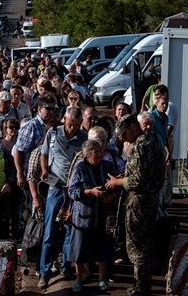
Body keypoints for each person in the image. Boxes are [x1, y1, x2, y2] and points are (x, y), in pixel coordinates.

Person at [104, 114, 165, 296]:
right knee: (145, 241)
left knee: (138, 245)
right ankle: (143, 285)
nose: (123, 139)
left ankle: (141, 287)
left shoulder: (141, 146)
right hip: (149, 198)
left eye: (124, 134)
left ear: (132, 127)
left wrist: (118, 183)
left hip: (140, 201)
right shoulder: (151, 142)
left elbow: (138, 180)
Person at [37, 107, 87, 289]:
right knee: (50, 231)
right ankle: (44, 272)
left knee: (70, 230)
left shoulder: (84, 138)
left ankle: (66, 266)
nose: (72, 128)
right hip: (55, 187)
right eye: (69, 124)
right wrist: (44, 170)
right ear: (64, 119)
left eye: (75, 125)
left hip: (72, 189)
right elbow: (44, 154)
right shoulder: (53, 133)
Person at [68, 139, 118, 293]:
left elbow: (117, 182)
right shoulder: (80, 167)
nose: (100, 154)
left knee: (103, 249)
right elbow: (72, 191)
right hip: (84, 215)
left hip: (103, 215)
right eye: (96, 151)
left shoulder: (107, 166)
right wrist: (90, 192)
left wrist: (113, 195)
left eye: (101, 150)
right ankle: (79, 279)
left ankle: (102, 280)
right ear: (88, 154)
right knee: (80, 250)